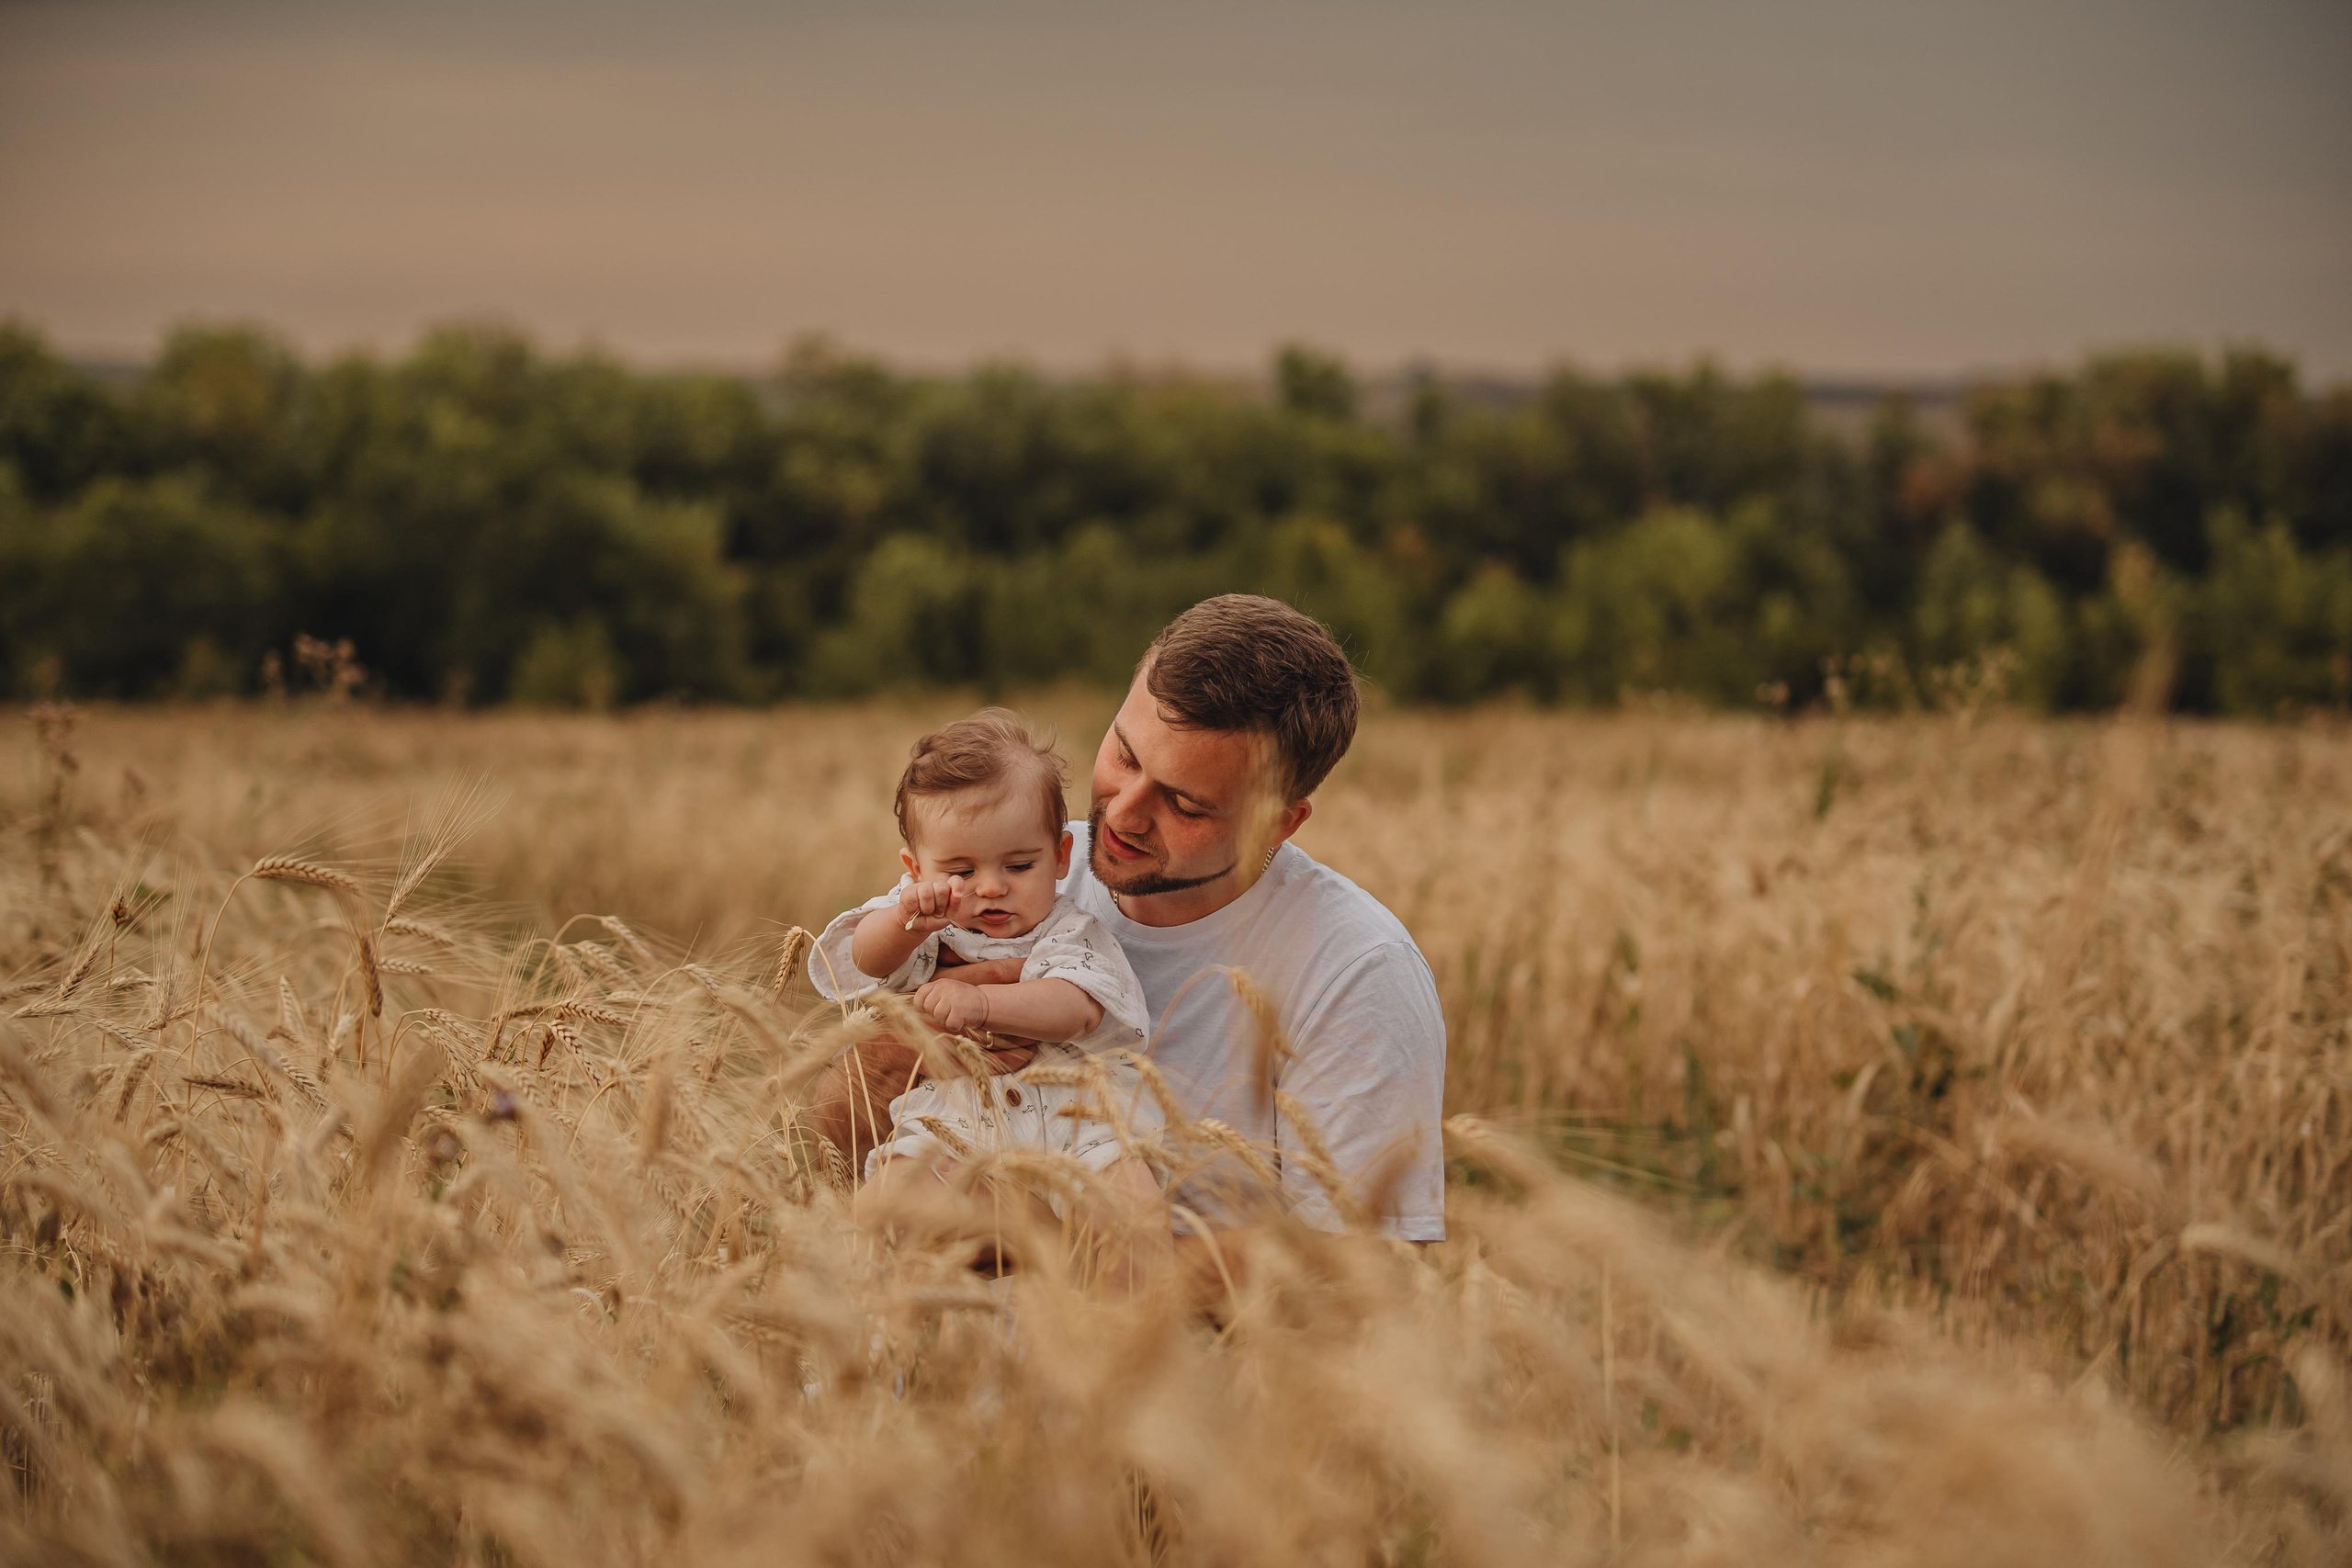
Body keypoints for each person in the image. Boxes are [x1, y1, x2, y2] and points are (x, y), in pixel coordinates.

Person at [803, 593, 1447, 1247]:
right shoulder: (1012, 859)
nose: (1123, 814)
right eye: (1126, 756)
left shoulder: (1356, 973)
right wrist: (893, 1057)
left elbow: (1361, 1279)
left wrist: (1044, 1243)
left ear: (1277, 823)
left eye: (1185, 804)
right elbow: (816, 1156)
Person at [806, 710, 1167, 1226]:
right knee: (885, 1202)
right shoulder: (923, 921)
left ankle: (1125, 1278)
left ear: (1061, 856)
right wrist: (904, 923)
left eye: (1019, 866)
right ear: (916, 870)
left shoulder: (1071, 929)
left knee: (1131, 1212)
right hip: (953, 1123)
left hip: (1080, 1124)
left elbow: (1078, 1007)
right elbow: (861, 960)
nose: (993, 887)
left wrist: (983, 1003)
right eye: (961, 871)